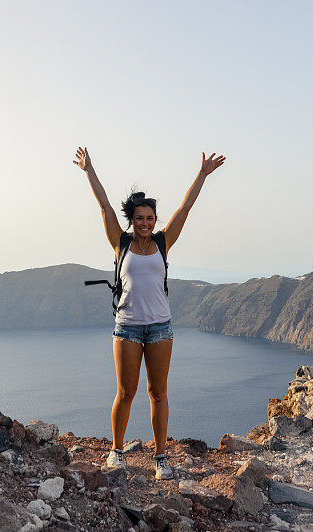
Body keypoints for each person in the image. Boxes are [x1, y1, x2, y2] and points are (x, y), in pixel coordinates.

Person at [72, 146, 226, 480]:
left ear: (155, 220)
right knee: (125, 392)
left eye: (150, 218)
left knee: (158, 393)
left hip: (160, 329)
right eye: (140, 218)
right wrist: (89, 170)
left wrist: (202, 174)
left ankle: (160, 457)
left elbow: (186, 208)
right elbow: (104, 205)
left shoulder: (163, 242)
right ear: (132, 221)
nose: (145, 223)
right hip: (126, 327)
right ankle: (116, 452)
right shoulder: (120, 242)